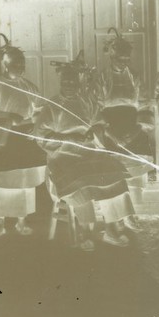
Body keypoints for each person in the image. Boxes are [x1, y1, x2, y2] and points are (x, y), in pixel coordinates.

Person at [33, 62, 137, 249]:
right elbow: (40, 135)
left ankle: (111, 227)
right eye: (66, 81)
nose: (69, 85)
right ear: (60, 82)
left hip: (88, 150)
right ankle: (86, 230)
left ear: (79, 83)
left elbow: (99, 122)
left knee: (112, 172)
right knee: (80, 179)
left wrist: (93, 131)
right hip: (63, 154)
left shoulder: (86, 101)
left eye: (73, 82)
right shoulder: (52, 106)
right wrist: (68, 137)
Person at [0, 35, 46, 240]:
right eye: (15, 64)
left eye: (22, 64)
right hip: (4, 139)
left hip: (26, 137)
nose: (20, 68)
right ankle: (0, 224)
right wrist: (7, 116)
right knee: (4, 182)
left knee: (24, 182)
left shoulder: (29, 86)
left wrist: (36, 124)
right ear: (5, 65)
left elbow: (40, 109)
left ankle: (22, 222)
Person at [93, 28, 154, 204]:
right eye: (120, 59)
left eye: (127, 59)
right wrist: (112, 134)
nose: (124, 63)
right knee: (114, 166)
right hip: (110, 127)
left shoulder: (134, 76)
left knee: (136, 162)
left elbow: (143, 104)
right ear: (112, 57)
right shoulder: (102, 77)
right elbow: (96, 109)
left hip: (133, 125)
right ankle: (119, 208)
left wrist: (136, 131)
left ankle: (135, 209)